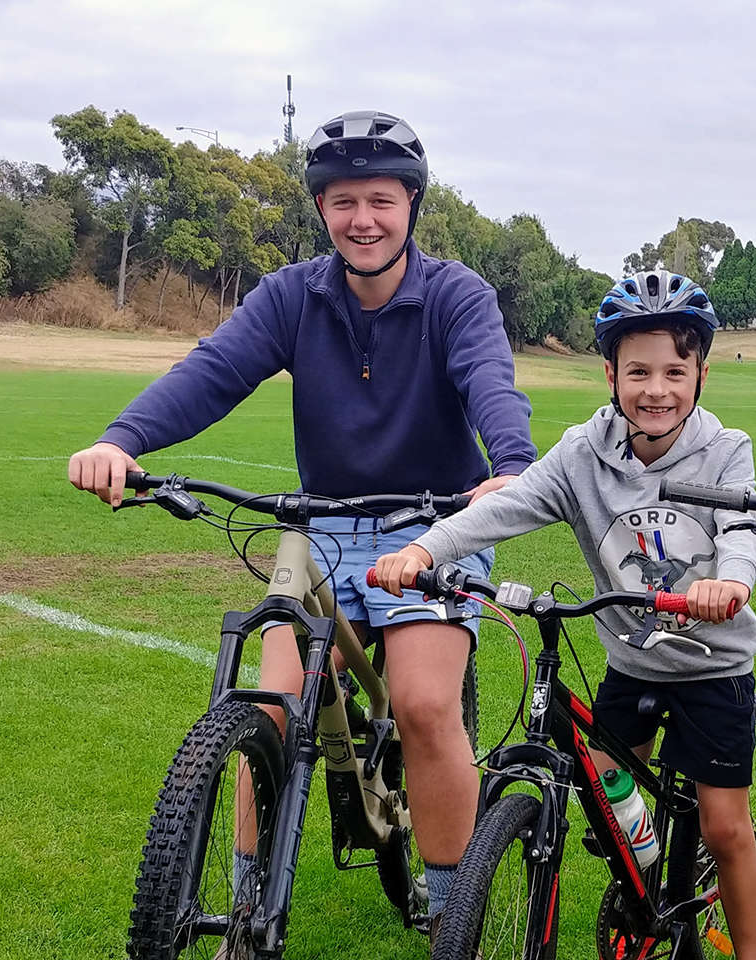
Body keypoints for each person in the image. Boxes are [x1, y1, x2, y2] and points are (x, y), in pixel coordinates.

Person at [66, 110, 536, 933]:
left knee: (426, 705)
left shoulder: (457, 295)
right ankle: (245, 906)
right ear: (322, 210)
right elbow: (213, 371)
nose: (363, 220)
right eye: (344, 201)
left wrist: (510, 468)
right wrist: (121, 440)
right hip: (321, 527)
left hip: (436, 523)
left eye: (381, 200)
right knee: (269, 704)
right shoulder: (294, 295)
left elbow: (488, 379)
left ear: (413, 205)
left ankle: (448, 899)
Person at [373, 269, 756, 959]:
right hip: (631, 662)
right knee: (610, 797)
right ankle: (648, 894)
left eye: (675, 371)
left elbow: (742, 529)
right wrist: (421, 549)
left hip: (712, 665)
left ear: (701, 375)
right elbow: (505, 506)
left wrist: (730, 584)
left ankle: (752, 951)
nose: (656, 390)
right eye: (638, 371)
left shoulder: (724, 449)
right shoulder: (583, 453)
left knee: (723, 827)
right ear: (610, 374)